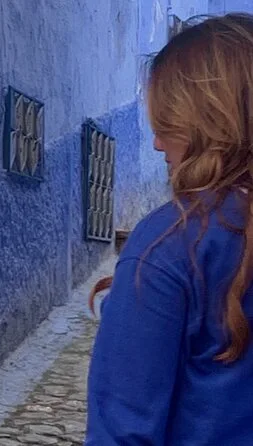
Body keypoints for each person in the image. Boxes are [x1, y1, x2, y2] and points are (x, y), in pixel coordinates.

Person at [86, 13, 253, 445]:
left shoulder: (171, 245)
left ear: (210, 122)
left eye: (168, 122)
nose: (158, 143)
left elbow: (122, 430)